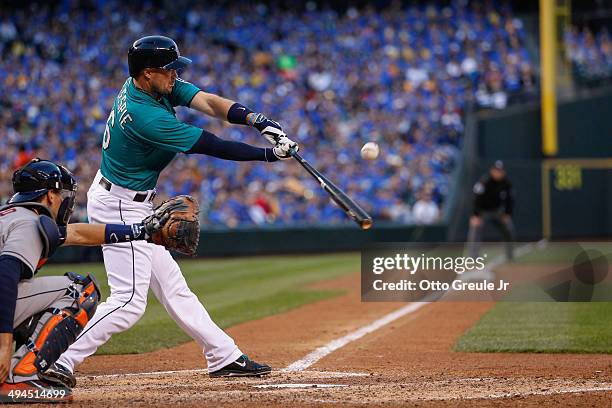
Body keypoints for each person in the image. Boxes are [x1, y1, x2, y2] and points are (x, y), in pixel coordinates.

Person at [46, 35, 300, 386]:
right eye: (170, 70)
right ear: (149, 73)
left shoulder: (149, 85)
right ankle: (57, 359)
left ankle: (223, 355)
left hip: (129, 199)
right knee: (129, 301)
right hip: (120, 205)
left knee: (174, 288)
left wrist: (257, 120)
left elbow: (207, 102)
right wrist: (268, 155)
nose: (175, 76)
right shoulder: (145, 115)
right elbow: (210, 144)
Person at [0, 158, 177, 403]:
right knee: (79, 291)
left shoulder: (12, 216)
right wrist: (4, 342)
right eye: (61, 194)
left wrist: (142, 232)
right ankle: (19, 376)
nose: (65, 200)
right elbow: (5, 279)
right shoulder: (30, 224)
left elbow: (79, 233)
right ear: (50, 196)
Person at [467, 160, 515, 260]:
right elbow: (476, 198)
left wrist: (507, 213)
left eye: (500, 171)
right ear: (492, 171)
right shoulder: (484, 181)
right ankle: (473, 256)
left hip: (498, 211)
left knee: (509, 228)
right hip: (483, 211)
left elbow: (510, 199)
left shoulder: (506, 183)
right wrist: (475, 215)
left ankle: (510, 255)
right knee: (475, 230)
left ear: (503, 172)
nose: (498, 173)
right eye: (496, 170)